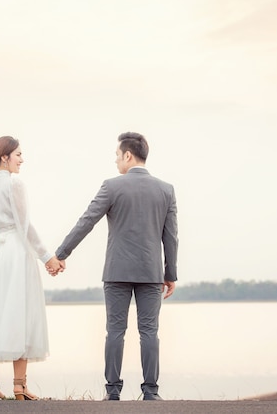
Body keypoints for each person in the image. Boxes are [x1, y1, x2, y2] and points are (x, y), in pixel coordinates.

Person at [50, 132, 178, 401]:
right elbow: (171, 237)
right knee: (150, 332)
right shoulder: (166, 190)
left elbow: (87, 221)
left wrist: (62, 253)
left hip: (117, 272)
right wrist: (170, 274)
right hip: (151, 273)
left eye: (117, 156)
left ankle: (112, 392)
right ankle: (151, 392)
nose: (116, 161)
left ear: (128, 155)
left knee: (115, 331)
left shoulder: (111, 186)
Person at [0, 136, 62, 401]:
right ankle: (19, 386)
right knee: (21, 312)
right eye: (18, 154)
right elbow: (24, 226)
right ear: (4, 157)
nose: (22, 159)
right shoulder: (14, 183)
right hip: (15, 252)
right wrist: (47, 256)